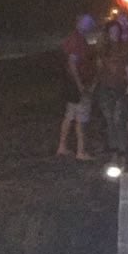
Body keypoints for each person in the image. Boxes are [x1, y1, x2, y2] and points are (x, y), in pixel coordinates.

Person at [57, 14, 98, 160]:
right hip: (79, 84)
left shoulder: (75, 39)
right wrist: (80, 84)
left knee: (70, 115)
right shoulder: (77, 41)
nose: (90, 25)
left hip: (71, 84)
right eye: (87, 23)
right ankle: (81, 151)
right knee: (81, 117)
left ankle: (62, 147)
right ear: (79, 23)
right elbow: (72, 63)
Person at [97, 20, 128, 164]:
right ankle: (114, 151)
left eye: (117, 31)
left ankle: (122, 152)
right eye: (112, 31)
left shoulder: (125, 48)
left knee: (119, 120)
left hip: (121, 88)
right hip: (106, 88)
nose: (115, 34)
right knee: (110, 120)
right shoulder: (102, 49)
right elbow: (98, 69)